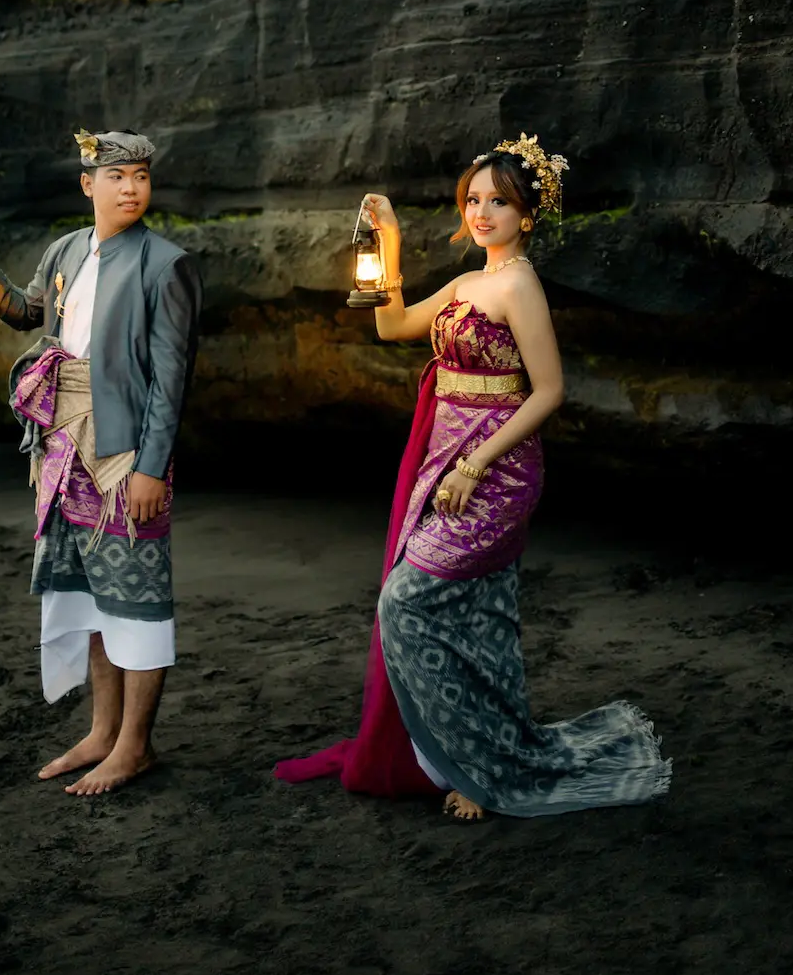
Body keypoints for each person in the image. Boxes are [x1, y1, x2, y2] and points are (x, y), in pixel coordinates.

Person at [275, 133, 670, 821]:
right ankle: (463, 759)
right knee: (477, 617)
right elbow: (392, 326)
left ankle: (474, 763)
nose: (482, 213)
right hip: (445, 463)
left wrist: (475, 463)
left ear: (528, 214)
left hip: (495, 470)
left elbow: (549, 391)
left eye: (499, 202)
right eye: (474, 200)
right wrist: (388, 244)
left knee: (405, 603)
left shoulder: (518, 285)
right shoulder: (467, 284)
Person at [0, 129, 200, 795]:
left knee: (136, 595)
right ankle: (101, 730)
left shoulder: (166, 265)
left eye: (140, 176)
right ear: (88, 184)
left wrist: (151, 467)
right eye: (117, 177)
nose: (131, 188)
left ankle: (135, 746)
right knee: (90, 594)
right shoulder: (65, 249)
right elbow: (32, 313)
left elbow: (171, 380)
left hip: (125, 451)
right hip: (62, 445)